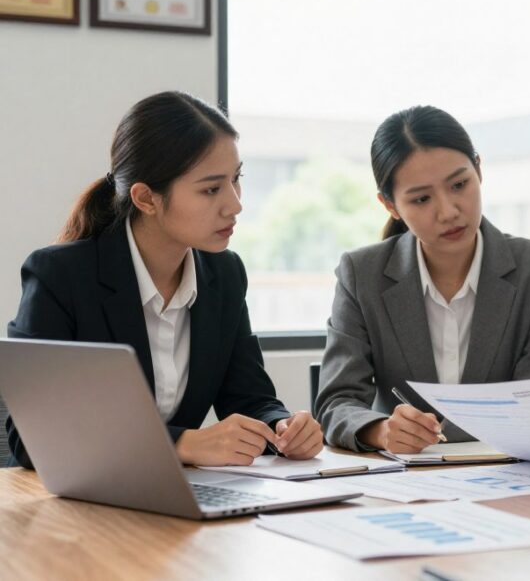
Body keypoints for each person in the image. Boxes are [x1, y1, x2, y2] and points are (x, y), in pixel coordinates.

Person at [6, 91, 322, 469]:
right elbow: (31, 438)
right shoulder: (61, 276)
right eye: (210, 189)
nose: (236, 204)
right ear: (146, 198)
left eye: (236, 179)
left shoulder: (224, 275)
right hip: (70, 503)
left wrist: (281, 427)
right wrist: (182, 445)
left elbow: (248, 396)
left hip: (170, 497)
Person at [316, 105, 530, 454]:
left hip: (504, 471)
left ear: (479, 169)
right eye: (421, 199)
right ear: (390, 206)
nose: (448, 211)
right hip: (401, 480)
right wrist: (382, 430)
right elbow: (336, 402)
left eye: (459, 184)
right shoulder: (362, 275)